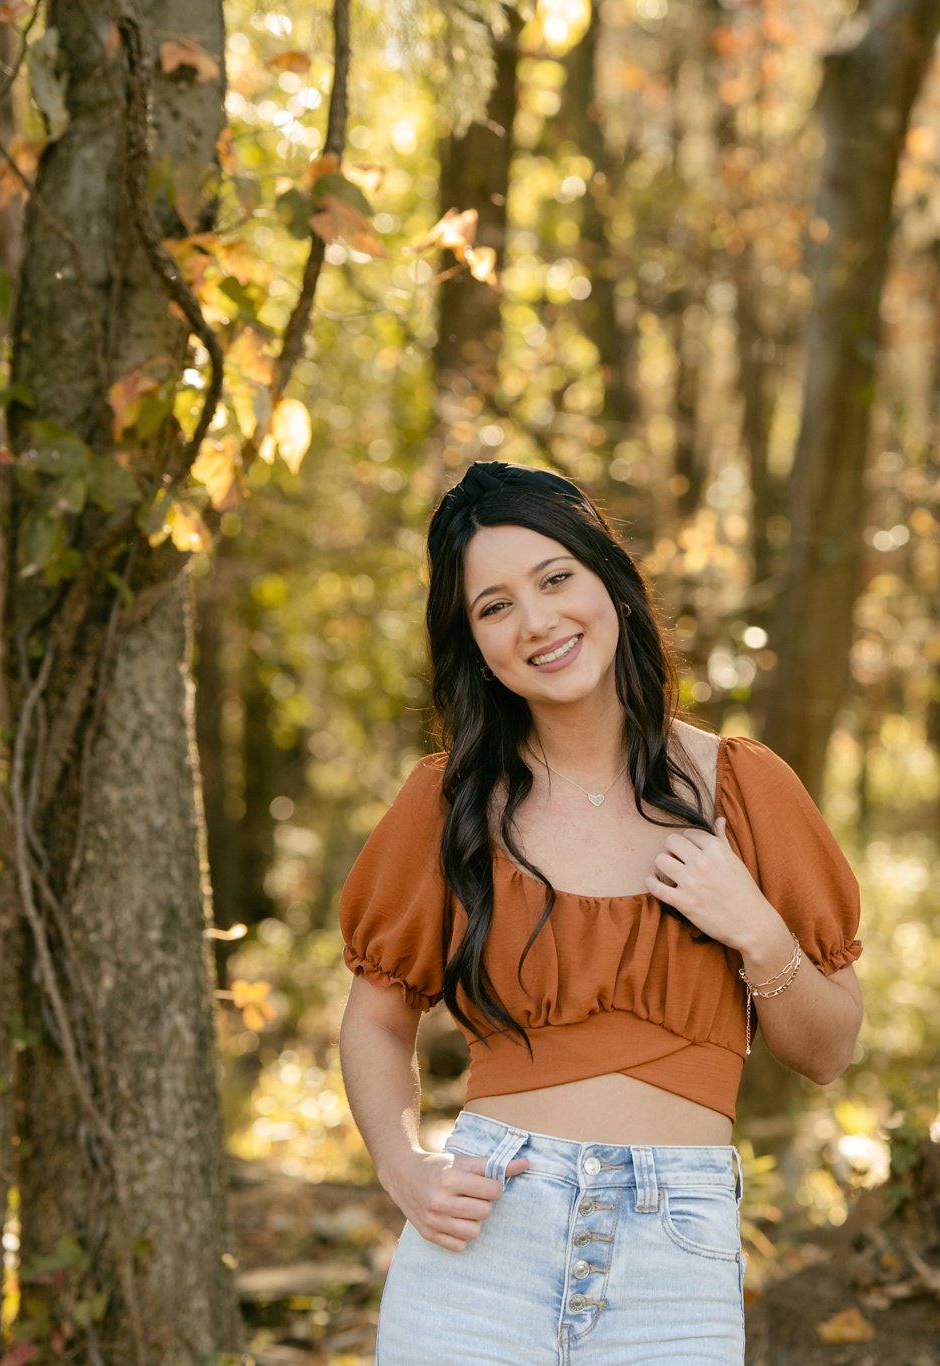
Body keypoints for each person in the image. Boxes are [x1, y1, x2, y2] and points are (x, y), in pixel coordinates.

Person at [337, 460, 865, 1364]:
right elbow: (377, 1021)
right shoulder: (449, 803)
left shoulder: (744, 787)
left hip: (676, 1249)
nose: (537, 621)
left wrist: (754, 927)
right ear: (475, 645)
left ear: (609, 584)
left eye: (555, 579)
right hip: (483, 1241)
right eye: (494, 606)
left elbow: (827, 1051)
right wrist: (404, 1167)